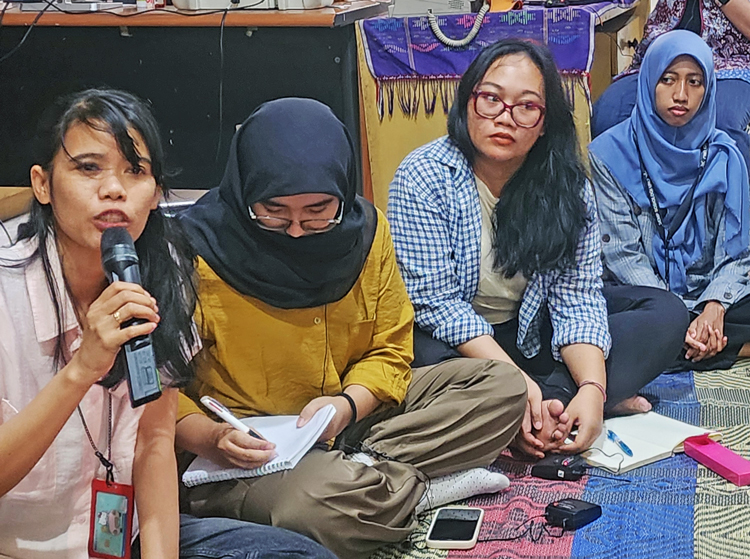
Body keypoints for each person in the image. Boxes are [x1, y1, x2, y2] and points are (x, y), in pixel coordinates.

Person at [176, 98, 528, 559]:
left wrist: (345, 407)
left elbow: (391, 347)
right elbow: (155, 389)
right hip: (248, 455)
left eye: (319, 210)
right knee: (318, 512)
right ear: (243, 192)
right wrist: (212, 438)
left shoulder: (365, 234)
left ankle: (365, 480)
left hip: (349, 418)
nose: (298, 231)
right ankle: (413, 490)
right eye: (274, 211)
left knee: (503, 386)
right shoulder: (193, 252)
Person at [0, 88, 336, 559]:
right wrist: (81, 370)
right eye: (89, 167)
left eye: (135, 171)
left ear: (156, 193)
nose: (114, 188)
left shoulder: (164, 266)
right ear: (42, 183)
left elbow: (154, 443)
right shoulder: (6, 287)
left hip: (124, 538)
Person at [388, 39, 689, 458]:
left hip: (530, 331)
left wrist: (593, 388)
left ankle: (545, 411)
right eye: (490, 99)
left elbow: (577, 297)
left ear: (545, 122)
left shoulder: (567, 188)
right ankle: (540, 407)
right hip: (456, 342)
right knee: (414, 361)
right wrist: (514, 384)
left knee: (665, 313)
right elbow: (436, 304)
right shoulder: (422, 176)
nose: (504, 118)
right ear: (467, 102)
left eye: (527, 107)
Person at [589, 31, 750, 371]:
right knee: (592, 316)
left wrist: (713, 307)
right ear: (648, 82)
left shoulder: (725, 156)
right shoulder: (609, 154)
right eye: (668, 79)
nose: (681, 95)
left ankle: (686, 345)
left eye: (695, 82)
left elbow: (737, 253)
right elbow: (621, 254)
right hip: (645, 296)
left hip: (710, 294)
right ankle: (717, 345)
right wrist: (678, 314)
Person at [591, 0, 750, 167]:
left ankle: (724, 191)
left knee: (721, 124)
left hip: (729, 63)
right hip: (664, 56)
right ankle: (630, 190)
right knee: (610, 113)